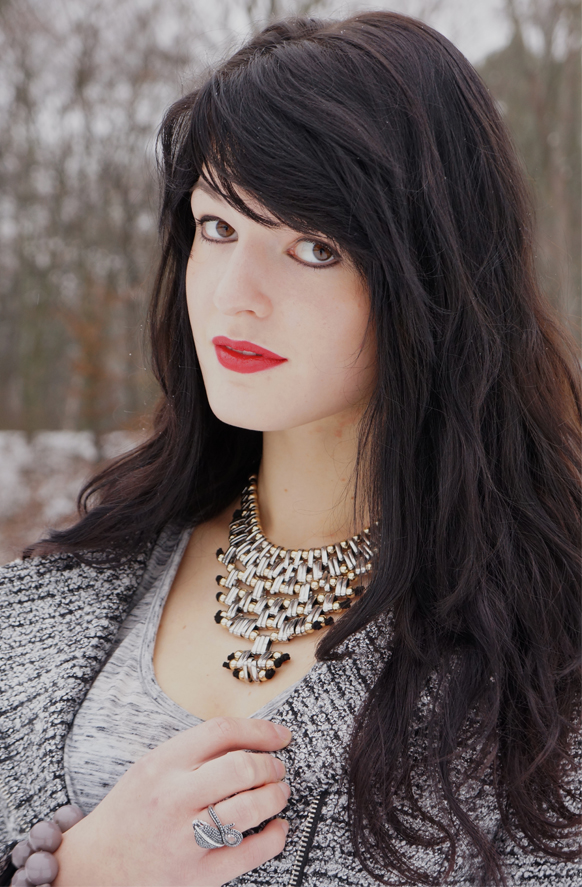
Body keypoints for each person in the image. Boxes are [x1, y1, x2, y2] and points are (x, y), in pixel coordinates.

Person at [0, 10, 580, 887]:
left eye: (313, 246)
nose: (235, 295)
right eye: (218, 228)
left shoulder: (546, 664)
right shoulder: (62, 590)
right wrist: (82, 874)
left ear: (431, 278)